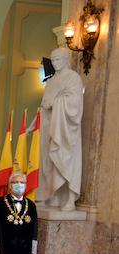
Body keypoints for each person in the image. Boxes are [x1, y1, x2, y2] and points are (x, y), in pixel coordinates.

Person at [38, 47, 84, 211]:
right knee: (50, 162)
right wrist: (34, 123)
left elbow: (75, 102)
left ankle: (69, 198)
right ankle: (53, 195)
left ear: (66, 60)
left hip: (65, 129)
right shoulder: (50, 81)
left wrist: (56, 102)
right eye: (53, 60)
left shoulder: (73, 78)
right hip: (50, 126)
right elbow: (43, 106)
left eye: (58, 59)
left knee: (66, 161)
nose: (55, 63)